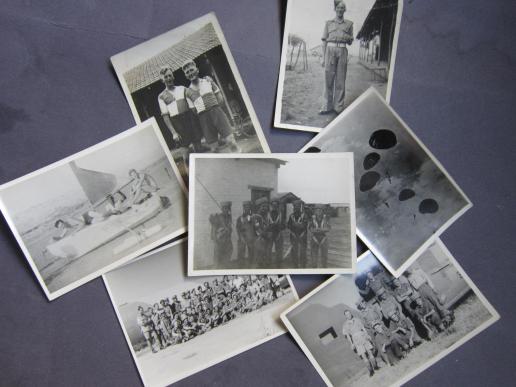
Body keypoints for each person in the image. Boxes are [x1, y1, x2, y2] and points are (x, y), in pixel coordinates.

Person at [182, 59, 240, 152]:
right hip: (204, 119)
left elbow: (220, 97)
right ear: (186, 75)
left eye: (191, 70)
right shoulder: (187, 92)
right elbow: (194, 110)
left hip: (217, 112)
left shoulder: (208, 81)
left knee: (231, 141)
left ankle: (238, 155)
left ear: (196, 70)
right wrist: (204, 113)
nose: (190, 73)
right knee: (214, 149)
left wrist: (216, 110)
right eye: (187, 72)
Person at [157, 65, 208, 154]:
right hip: (177, 122)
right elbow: (165, 117)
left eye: (170, 75)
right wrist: (174, 133)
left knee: (199, 148)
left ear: (173, 76)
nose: (169, 78)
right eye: (166, 77)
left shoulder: (182, 88)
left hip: (189, 117)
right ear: (162, 80)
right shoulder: (161, 96)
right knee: (186, 152)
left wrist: (204, 81)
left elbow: (196, 94)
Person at [320, 1, 353, 115]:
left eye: (342, 8)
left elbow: (350, 42)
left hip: (343, 51)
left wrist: (347, 37)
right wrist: (323, 57)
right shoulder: (328, 23)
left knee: (340, 80)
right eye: (338, 7)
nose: (340, 9)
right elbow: (324, 41)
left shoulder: (349, 24)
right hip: (330, 51)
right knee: (328, 79)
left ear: (345, 10)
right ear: (335, 9)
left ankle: (338, 108)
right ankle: (326, 107)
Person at [342, 309, 378, 376]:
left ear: (351, 314)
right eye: (347, 314)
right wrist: (352, 343)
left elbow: (363, 328)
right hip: (356, 340)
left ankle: (376, 367)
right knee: (363, 356)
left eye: (349, 314)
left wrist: (367, 335)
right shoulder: (345, 325)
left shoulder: (357, 319)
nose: (348, 315)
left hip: (363, 336)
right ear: (345, 316)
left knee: (369, 352)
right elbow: (348, 336)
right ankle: (371, 371)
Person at [209, 201, 234, 266]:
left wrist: (229, 230)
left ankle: (225, 266)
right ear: (222, 209)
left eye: (227, 208)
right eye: (224, 208)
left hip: (227, 241)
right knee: (217, 260)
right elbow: (214, 229)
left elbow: (229, 227)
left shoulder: (229, 217)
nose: (226, 210)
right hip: (219, 241)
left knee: (228, 254)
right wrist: (215, 240)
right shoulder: (218, 217)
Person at [287, 200, 308, 268]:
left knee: (303, 251)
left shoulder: (304, 215)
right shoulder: (291, 216)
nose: (296, 208)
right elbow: (288, 225)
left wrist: (296, 225)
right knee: (294, 251)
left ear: (300, 207)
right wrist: (296, 226)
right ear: (293, 207)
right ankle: (295, 265)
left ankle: (303, 265)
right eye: (295, 206)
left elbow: (305, 225)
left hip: (302, 235)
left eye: (298, 206)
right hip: (293, 236)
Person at [266, 199, 284, 267]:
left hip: (278, 233)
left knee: (279, 249)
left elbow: (284, 225)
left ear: (278, 206)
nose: (274, 206)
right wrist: (269, 229)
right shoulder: (268, 214)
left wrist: (280, 226)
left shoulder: (281, 214)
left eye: (276, 205)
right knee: (268, 249)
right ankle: (268, 263)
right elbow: (265, 224)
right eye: (273, 205)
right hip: (270, 233)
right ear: (271, 206)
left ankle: (278, 263)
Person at [253, 197, 270, 267]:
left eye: (266, 206)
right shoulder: (256, 216)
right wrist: (265, 234)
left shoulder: (266, 216)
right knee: (258, 258)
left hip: (265, 240)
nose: (264, 208)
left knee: (265, 257)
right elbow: (257, 229)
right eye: (262, 206)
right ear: (258, 207)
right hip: (258, 240)